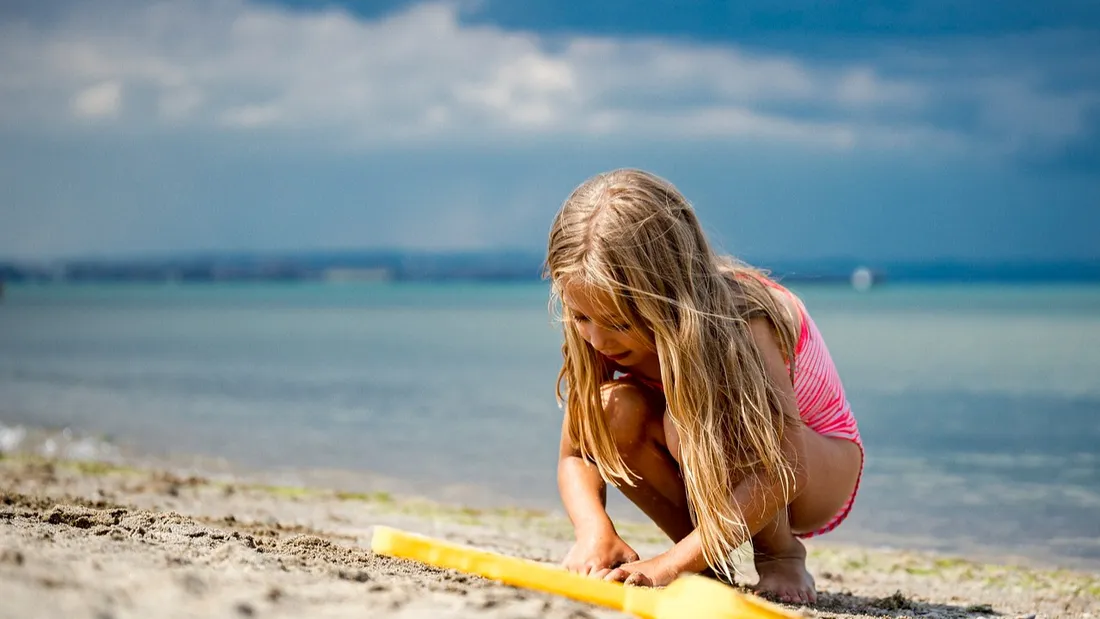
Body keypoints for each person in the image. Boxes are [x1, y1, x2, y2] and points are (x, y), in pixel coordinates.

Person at [545, 169, 864, 605]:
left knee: (691, 415)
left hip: (814, 469)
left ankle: (780, 553)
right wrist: (594, 531)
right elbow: (576, 453)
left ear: (667, 295)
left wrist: (669, 566)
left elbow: (783, 467)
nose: (598, 339)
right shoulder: (599, 314)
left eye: (619, 323)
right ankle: (706, 562)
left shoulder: (742, 319)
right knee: (607, 411)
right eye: (581, 318)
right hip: (712, 459)